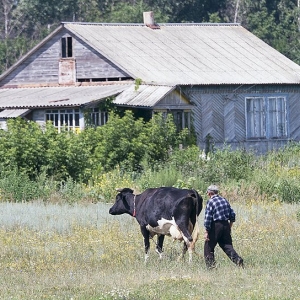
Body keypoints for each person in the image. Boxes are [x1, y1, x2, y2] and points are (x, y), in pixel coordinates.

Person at [204, 184, 244, 269]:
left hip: (216, 226)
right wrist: (229, 226)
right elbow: (232, 214)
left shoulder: (211, 202)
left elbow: (208, 218)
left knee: (208, 247)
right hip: (225, 225)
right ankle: (238, 260)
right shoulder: (224, 200)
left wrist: (206, 231)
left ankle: (211, 267)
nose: (207, 194)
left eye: (207, 192)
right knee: (227, 245)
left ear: (210, 193)